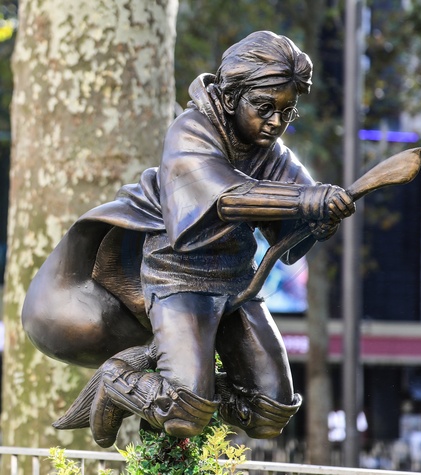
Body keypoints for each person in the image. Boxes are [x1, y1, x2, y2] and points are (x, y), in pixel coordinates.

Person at [21, 31, 355, 447]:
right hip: (177, 277)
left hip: (236, 280)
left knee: (270, 410)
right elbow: (225, 197)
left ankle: (189, 389)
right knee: (183, 412)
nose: (275, 122)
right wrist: (307, 201)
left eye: (287, 112)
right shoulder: (190, 131)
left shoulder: (272, 151)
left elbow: (293, 219)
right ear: (231, 98)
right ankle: (121, 380)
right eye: (264, 107)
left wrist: (319, 218)